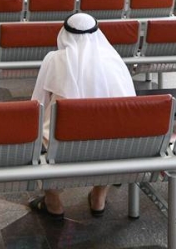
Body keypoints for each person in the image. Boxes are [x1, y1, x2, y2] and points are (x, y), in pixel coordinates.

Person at [29, 12, 136, 219]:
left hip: (62, 146)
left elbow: (37, 103)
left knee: (41, 132)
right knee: (111, 130)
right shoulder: (114, 60)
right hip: (112, 147)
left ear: (64, 33)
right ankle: (98, 197)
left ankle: (53, 202)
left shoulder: (54, 59)